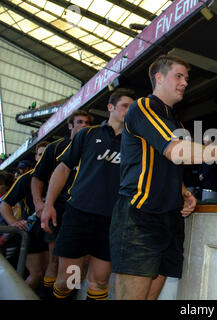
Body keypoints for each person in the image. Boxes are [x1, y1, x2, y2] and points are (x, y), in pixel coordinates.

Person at [110, 55, 217, 300]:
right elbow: (176, 152)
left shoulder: (175, 120)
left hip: (169, 219)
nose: (185, 82)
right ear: (159, 78)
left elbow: (167, 164)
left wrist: (182, 191)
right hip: (140, 215)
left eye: (187, 78)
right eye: (179, 76)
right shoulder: (143, 107)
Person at [40, 88, 135, 300]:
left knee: (100, 281)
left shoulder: (135, 142)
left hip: (112, 221)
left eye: (132, 108)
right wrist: (48, 205)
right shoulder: (88, 134)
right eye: (124, 106)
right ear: (110, 107)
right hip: (78, 215)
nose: (129, 111)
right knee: (69, 280)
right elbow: (63, 169)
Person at [31, 110, 92, 298]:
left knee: (78, 267)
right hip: (58, 211)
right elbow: (37, 178)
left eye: (88, 123)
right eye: (80, 122)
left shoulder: (93, 148)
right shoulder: (55, 148)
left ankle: (67, 295)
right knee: (55, 261)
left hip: (83, 213)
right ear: (70, 126)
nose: (84, 126)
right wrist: (40, 204)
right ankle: (47, 296)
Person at [0, 141, 49, 290]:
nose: (44, 157)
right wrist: (13, 222)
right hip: (33, 233)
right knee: (37, 273)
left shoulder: (61, 174)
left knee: (48, 274)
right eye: (41, 154)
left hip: (52, 232)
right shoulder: (26, 178)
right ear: (36, 157)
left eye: (47, 153)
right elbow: (5, 204)